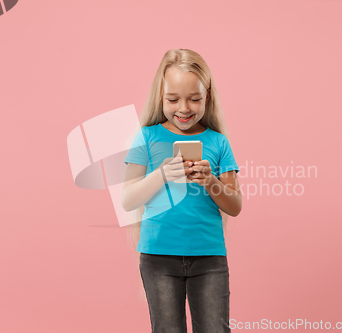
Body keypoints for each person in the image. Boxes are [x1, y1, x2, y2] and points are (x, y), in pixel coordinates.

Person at [121, 48, 242, 333]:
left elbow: (234, 206)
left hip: (209, 258)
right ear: (160, 96)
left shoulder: (218, 142)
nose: (184, 108)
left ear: (207, 97)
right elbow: (127, 200)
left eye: (194, 99)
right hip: (158, 258)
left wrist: (210, 180)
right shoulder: (147, 136)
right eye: (173, 99)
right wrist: (161, 174)